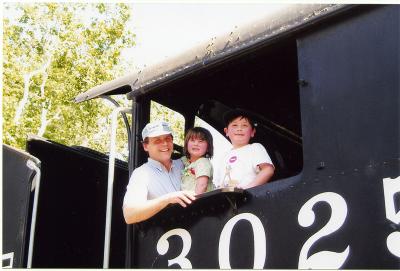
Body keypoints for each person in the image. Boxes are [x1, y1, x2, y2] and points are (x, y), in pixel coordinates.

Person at [123, 121, 195, 224]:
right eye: (157, 141)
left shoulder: (184, 164)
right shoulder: (141, 174)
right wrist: (168, 199)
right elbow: (129, 215)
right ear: (145, 146)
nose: (165, 143)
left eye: (168, 139)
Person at [214, 109, 275, 189]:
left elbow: (268, 170)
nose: (239, 129)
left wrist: (247, 190)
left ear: (252, 132)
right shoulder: (224, 156)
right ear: (226, 131)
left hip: (250, 198)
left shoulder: (255, 147)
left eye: (244, 125)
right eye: (234, 125)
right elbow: (218, 183)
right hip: (227, 197)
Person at [181, 127, 214, 195]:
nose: (196, 144)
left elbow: (202, 185)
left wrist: (193, 203)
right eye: (192, 140)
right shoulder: (187, 162)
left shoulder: (203, 162)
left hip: (196, 201)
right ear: (186, 144)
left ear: (208, 148)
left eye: (200, 141)